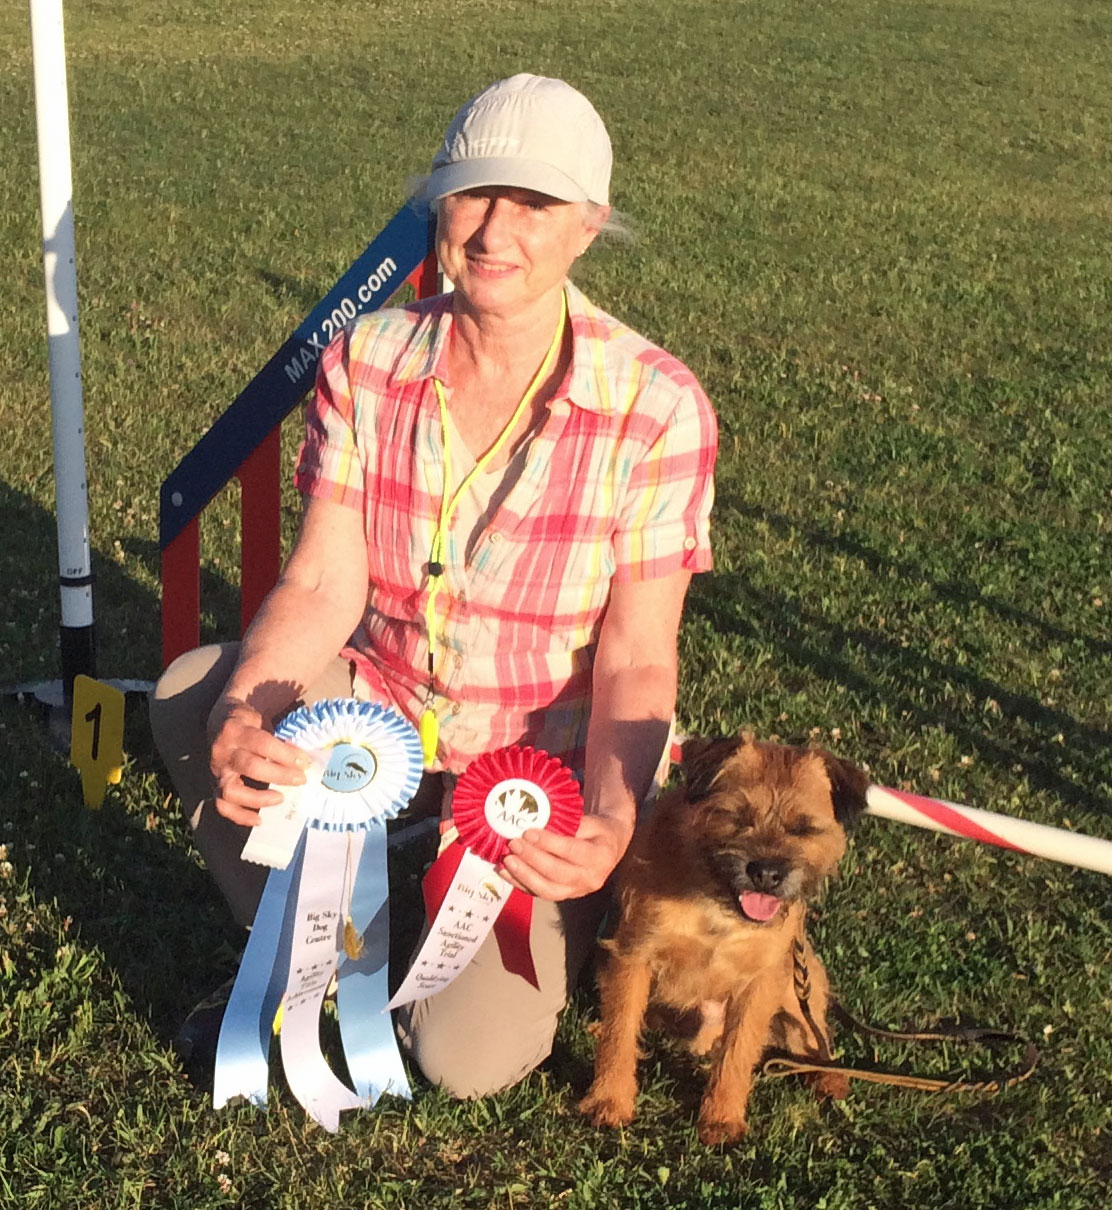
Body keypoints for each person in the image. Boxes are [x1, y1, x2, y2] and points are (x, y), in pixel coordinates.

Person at [150, 73, 717, 1097]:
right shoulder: (367, 356)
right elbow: (321, 579)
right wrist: (243, 711)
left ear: (588, 225)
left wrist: (608, 822)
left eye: (534, 202)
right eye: (473, 194)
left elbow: (638, 656)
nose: (494, 231)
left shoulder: (658, 405)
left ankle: (475, 930)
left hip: (533, 768)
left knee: (463, 1061)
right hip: (381, 712)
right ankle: (319, 954)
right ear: (437, 205)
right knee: (196, 691)